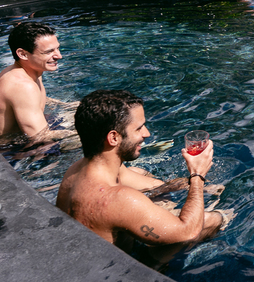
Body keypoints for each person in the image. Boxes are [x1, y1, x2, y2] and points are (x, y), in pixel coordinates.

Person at [57, 90, 229, 265]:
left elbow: (145, 182)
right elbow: (188, 232)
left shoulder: (76, 170)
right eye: (139, 128)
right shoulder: (119, 199)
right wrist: (197, 176)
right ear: (114, 137)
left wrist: (183, 185)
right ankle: (157, 264)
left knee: (138, 172)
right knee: (213, 219)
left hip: (85, 257)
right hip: (125, 271)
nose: (146, 134)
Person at [0, 22, 75, 144]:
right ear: (23, 54)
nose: (59, 56)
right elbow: (40, 138)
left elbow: (30, 101)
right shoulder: (22, 86)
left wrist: (63, 105)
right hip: (10, 150)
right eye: (49, 52)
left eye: (57, 48)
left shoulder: (28, 70)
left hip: (28, 135)